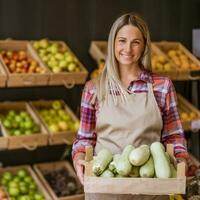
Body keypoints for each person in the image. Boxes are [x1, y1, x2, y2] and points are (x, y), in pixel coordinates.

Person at [72, 12, 188, 200]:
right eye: (122, 41)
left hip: (150, 188)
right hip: (104, 188)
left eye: (135, 42)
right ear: (113, 44)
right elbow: (85, 139)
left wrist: (179, 162)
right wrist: (79, 159)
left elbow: (174, 136)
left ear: (144, 47)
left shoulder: (162, 86)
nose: (128, 48)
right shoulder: (94, 88)